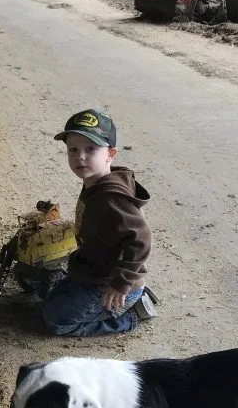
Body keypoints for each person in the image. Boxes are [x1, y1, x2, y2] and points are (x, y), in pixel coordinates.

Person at [41, 109, 157, 337]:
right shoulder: (94, 181)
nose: (80, 157)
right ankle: (129, 293)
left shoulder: (110, 197)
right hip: (92, 270)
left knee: (56, 322)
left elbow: (141, 240)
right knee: (46, 302)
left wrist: (121, 283)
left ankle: (129, 316)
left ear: (111, 154)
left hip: (109, 282)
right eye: (73, 150)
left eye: (90, 149)